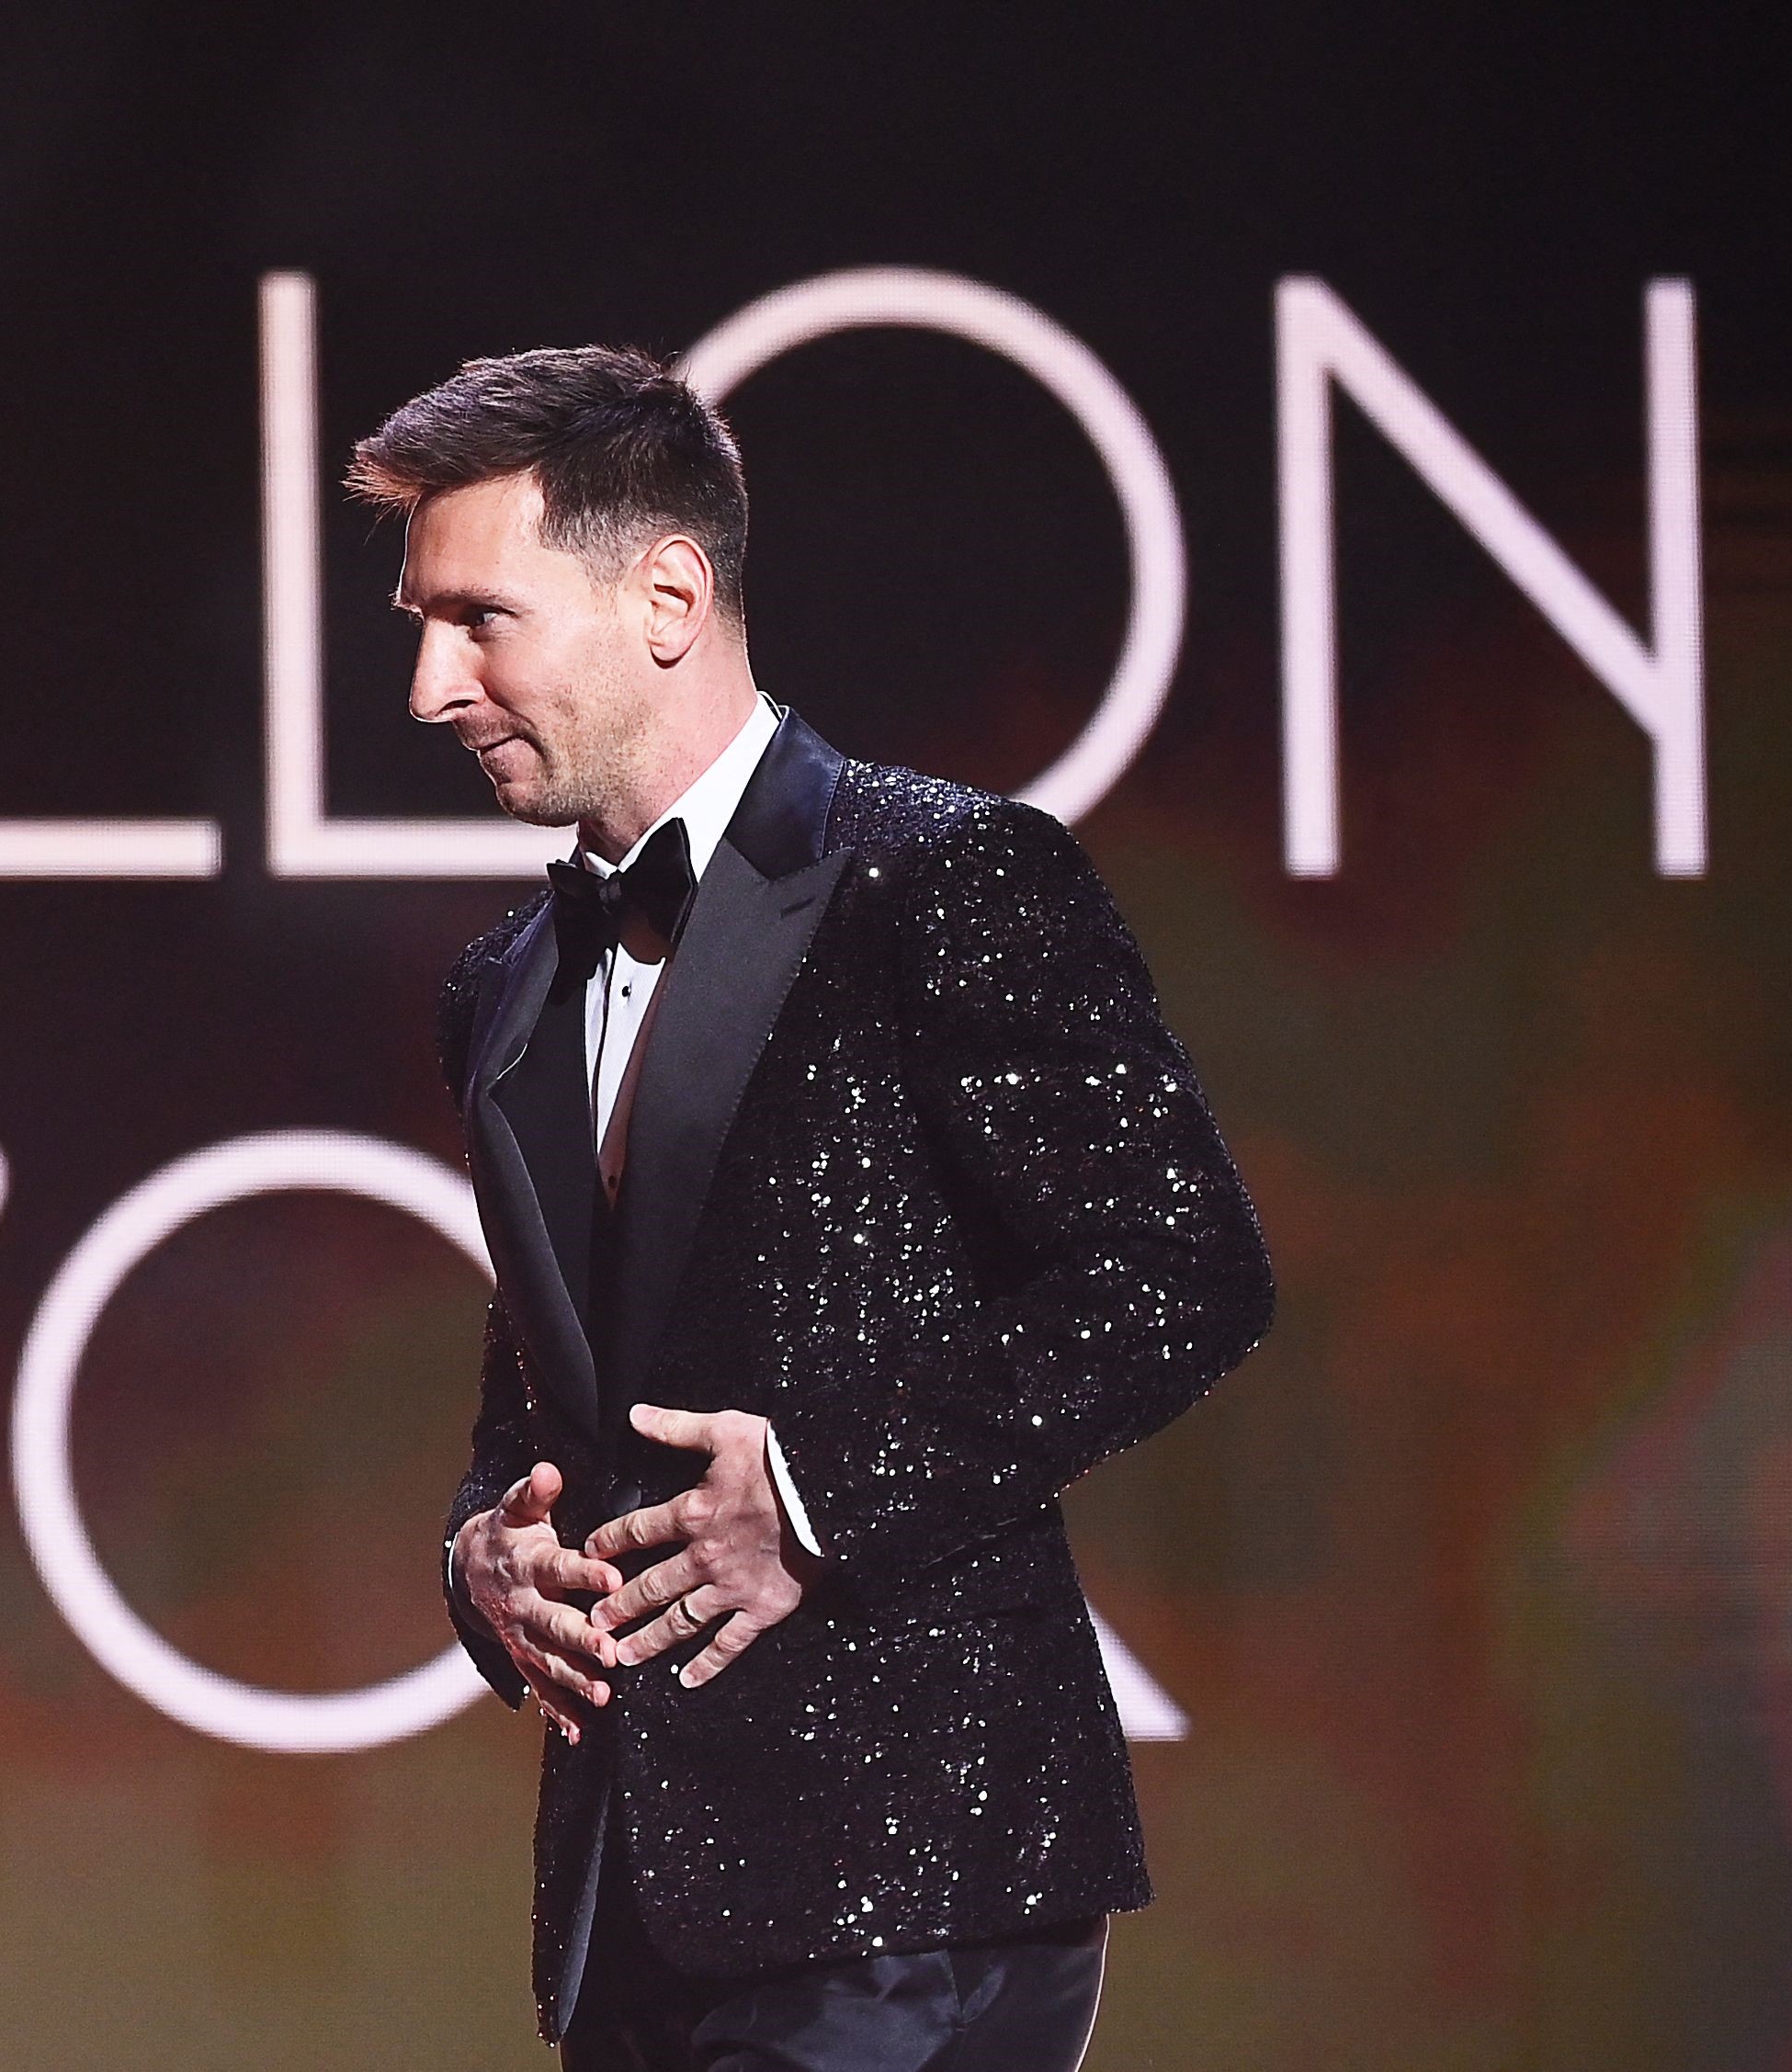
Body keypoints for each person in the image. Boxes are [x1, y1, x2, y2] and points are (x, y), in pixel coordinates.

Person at [350, 347, 1275, 2069]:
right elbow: (538, 1400)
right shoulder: (504, 987)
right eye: (419, 622)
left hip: (908, 1883)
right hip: (633, 1898)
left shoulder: (938, 879)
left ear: (669, 597)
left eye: (479, 619)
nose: (428, 686)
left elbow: (1181, 1269)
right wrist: (491, 1557)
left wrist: (816, 1493)